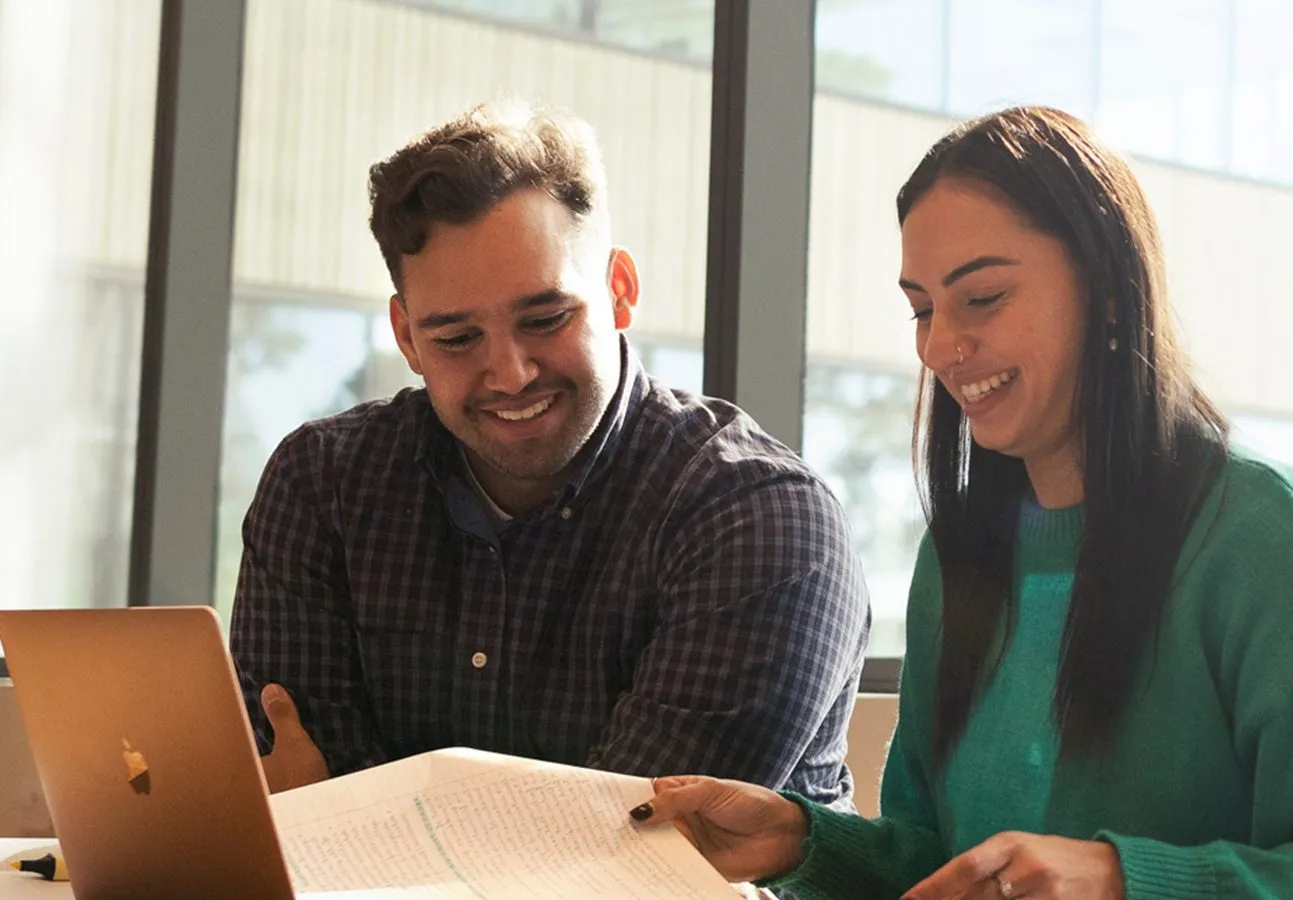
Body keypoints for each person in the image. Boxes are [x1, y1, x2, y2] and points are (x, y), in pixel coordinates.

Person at [628, 106, 1293, 900]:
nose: (943, 347)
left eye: (982, 297)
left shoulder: (1283, 544)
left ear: (1105, 288)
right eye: (921, 310)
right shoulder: (957, 564)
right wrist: (800, 841)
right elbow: (945, 885)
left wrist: (1113, 881)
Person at [232, 101, 870, 809]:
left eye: (545, 319)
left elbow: (627, 845)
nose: (509, 374)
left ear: (620, 292)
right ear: (407, 338)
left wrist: (353, 821)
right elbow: (294, 810)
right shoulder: (321, 486)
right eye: (456, 340)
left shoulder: (759, 517)